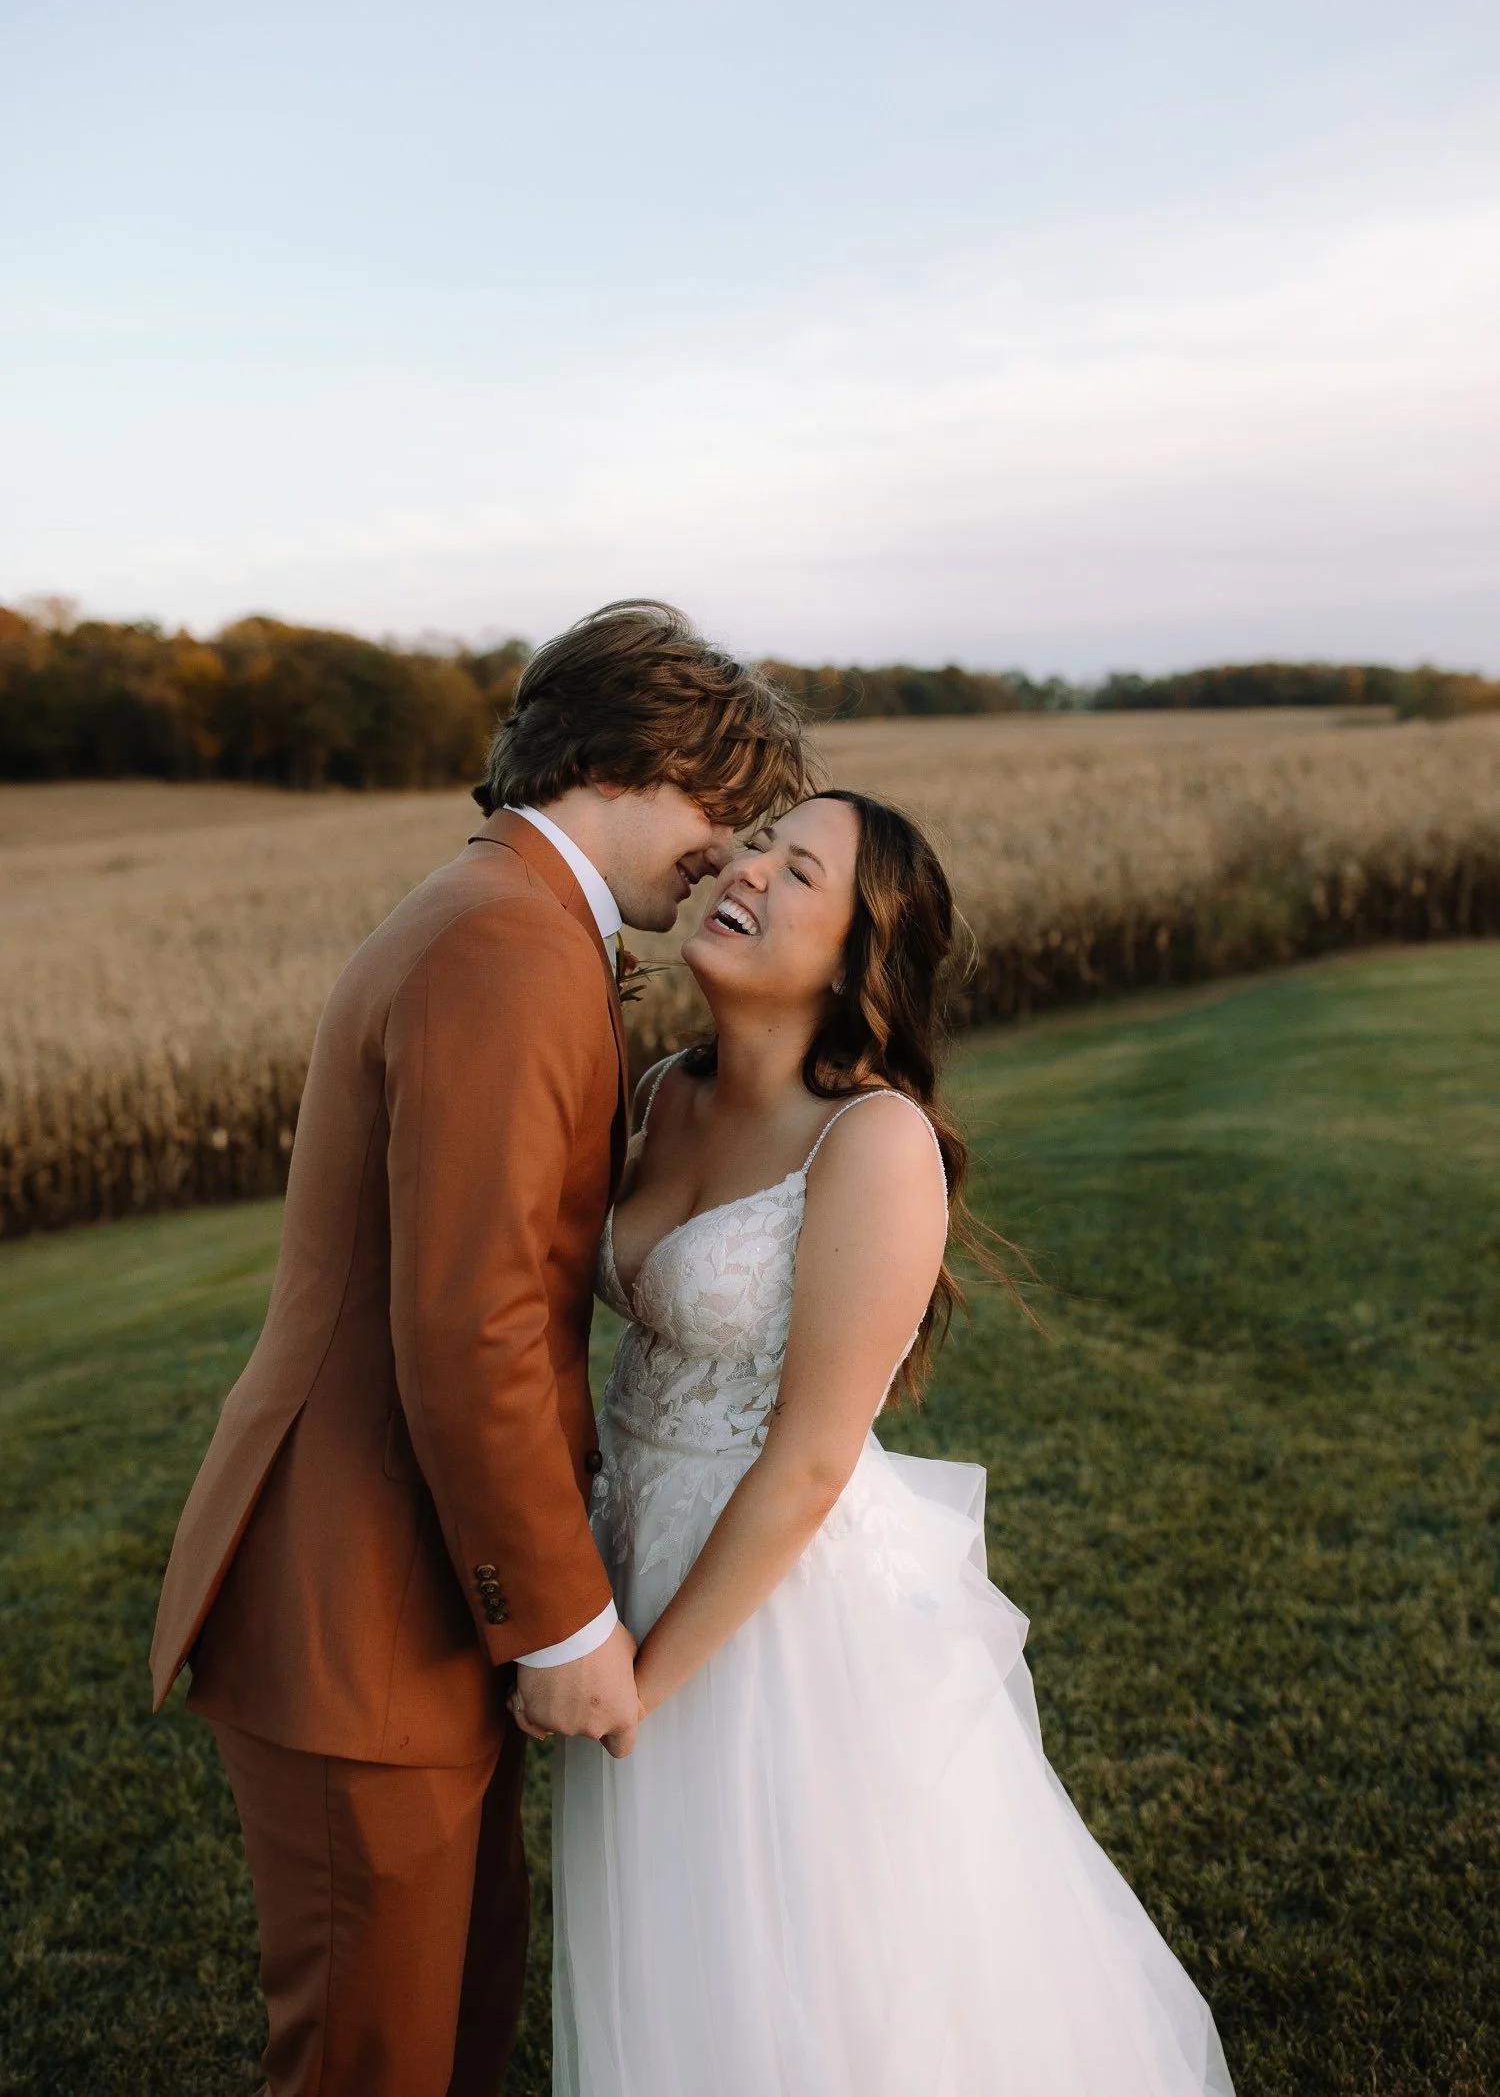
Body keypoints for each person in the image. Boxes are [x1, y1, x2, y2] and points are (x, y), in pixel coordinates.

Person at [148, 602, 807, 2097]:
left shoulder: (505, 915)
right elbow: (475, 1324)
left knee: (446, 2039)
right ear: (620, 760)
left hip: (405, 1593)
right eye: (717, 801)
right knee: (375, 2068)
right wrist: (565, 1628)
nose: (725, 848)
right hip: (362, 1606)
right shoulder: (508, 944)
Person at [545, 789, 1236, 2097]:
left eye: (795, 868)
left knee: (816, 1986)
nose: (743, 868)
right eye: (753, 844)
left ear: (858, 955)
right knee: (674, 1970)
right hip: (630, 1562)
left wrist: (642, 1680)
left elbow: (807, 1460)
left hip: (774, 1623)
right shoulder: (661, 1096)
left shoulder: (875, 1141)